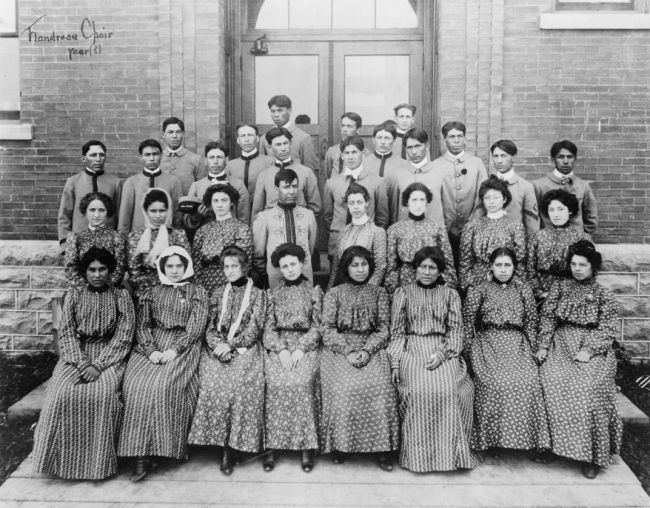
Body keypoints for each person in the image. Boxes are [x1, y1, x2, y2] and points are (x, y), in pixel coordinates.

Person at [33, 247, 135, 480]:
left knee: (103, 394)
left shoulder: (121, 296)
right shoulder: (75, 295)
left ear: (110, 271)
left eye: (102, 269)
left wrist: (98, 365)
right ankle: (60, 462)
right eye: (92, 269)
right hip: (77, 354)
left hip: (111, 355)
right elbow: (67, 334)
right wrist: (81, 363)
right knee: (60, 393)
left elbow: (125, 335)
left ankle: (96, 465)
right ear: (85, 272)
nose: (97, 274)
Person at [118, 246, 209, 482]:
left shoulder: (196, 292)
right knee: (135, 385)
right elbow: (143, 325)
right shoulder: (151, 292)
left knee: (163, 385)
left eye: (179, 265)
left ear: (186, 266)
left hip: (182, 345)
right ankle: (139, 455)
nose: (175, 270)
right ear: (162, 267)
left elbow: (196, 327)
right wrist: (150, 350)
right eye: (170, 266)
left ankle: (162, 449)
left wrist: (173, 350)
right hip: (152, 345)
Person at [535, 240, 622, 479]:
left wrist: (590, 349)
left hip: (590, 347)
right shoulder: (560, 288)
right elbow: (548, 319)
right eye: (573, 264)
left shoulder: (603, 294)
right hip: (560, 343)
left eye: (582, 265)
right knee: (549, 380)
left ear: (593, 267)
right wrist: (543, 345)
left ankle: (590, 455)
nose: (577, 269)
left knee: (586, 388)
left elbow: (607, 328)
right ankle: (553, 446)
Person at [388, 246, 477, 472]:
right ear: (415, 269)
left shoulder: (450, 294)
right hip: (412, 347)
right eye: (423, 267)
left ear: (440, 272)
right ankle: (417, 457)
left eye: (432, 268)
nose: (427, 272)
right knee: (417, 391)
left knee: (447, 390)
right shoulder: (403, 293)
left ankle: (449, 457)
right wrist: (396, 362)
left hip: (442, 347)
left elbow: (457, 331)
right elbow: (397, 332)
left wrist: (442, 354)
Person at [463, 247, 550, 456]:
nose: (503, 270)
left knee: (528, 381)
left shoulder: (523, 289)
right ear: (491, 267)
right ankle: (491, 440)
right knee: (493, 383)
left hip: (517, 344)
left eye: (507, 265)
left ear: (514, 267)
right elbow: (467, 324)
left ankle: (529, 441)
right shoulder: (479, 289)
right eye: (498, 265)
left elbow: (531, 322)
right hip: (488, 343)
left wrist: (536, 349)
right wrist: (467, 354)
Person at [188, 246, 266, 475]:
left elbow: (255, 329)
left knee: (241, 383)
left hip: (246, 347)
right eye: (227, 266)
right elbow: (210, 326)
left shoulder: (258, 294)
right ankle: (218, 443)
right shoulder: (217, 293)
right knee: (211, 382)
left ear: (245, 267)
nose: (230, 271)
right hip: (218, 347)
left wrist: (231, 345)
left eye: (235, 266)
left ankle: (235, 446)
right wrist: (217, 345)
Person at [320, 246, 399, 470]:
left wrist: (367, 350)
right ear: (346, 268)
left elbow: (384, 329)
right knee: (343, 388)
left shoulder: (379, 293)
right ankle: (342, 445)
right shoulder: (334, 293)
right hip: (342, 348)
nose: (360, 269)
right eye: (354, 265)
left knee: (381, 387)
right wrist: (348, 351)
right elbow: (327, 329)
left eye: (364, 264)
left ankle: (381, 448)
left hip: (371, 347)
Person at [262, 243, 323, 472]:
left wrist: (301, 348)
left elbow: (319, 326)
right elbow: (268, 328)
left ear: (301, 263)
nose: (289, 269)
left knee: (302, 381)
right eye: (284, 266)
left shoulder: (314, 291)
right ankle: (272, 446)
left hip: (306, 344)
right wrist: (281, 349)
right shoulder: (273, 294)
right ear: (279, 268)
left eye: (293, 264)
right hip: (280, 345)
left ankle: (306, 446)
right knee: (275, 382)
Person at [430, 121, 488, 267]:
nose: (456, 141)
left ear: (465, 139)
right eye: (451, 137)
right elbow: (434, 199)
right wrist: (442, 226)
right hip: (444, 230)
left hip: (472, 229)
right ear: (444, 140)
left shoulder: (476, 163)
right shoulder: (435, 165)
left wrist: (474, 221)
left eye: (460, 136)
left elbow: (483, 196)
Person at [322, 136, 389, 259]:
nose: (350, 157)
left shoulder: (377, 182)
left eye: (354, 152)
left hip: (366, 243)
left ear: (363, 153)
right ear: (342, 155)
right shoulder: (332, 183)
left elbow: (382, 218)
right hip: (338, 243)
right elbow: (328, 217)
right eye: (346, 153)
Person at [385, 183, 456, 294]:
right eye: (414, 200)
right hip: (405, 282)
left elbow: (448, 261)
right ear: (407, 202)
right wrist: (393, 290)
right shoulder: (395, 229)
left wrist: (448, 287)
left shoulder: (437, 228)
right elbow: (391, 265)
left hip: (432, 280)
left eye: (422, 200)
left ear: (427, 202)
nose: (418, 204)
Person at [459, 176, 526, 292]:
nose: (491, 202)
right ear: (483, 200)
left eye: (496, 197)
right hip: (478, 281)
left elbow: (520, 261)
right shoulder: (472, 226)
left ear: (504, 199)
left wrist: (517, 285)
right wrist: (468, 285)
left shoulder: (515, 226)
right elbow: (465, 260)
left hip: (506, 280)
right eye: (487, 198)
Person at [252, 169, 318, 289]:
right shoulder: (265, 217)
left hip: (304, 273)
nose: (292, 191)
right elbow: (259, 253)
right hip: (276, 275)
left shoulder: (308, 215)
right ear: (276, 189)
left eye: (295, 186)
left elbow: (311, 247)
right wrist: (268, 272)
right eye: (286, 187)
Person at [527, 189, 592, 300]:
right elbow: (529, 269)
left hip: (573, 295)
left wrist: (579, 294)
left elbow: (590, 271)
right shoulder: (537, 237)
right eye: (551, 210)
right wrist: (539, 293)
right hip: (543, 294)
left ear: (570, 210)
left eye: (560, 209)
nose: (556, 214)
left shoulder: (582, 238)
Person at [58, 140, 122, 251]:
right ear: (84, 159)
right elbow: (64, 215)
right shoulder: (73, 182)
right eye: (93, 155)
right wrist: (64, 243)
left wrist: (119, 242)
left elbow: (120, 215)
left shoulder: (115, 183)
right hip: (79, 241)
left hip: (108, 242)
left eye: (101, 155)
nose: (98, 159)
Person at [126, 188, 190, 299]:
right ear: (146, 211)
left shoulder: (178, 235)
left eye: (162, 211)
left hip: (174, 294)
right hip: (144, 295)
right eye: (153, 211)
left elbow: (186, 267)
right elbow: (134, 271)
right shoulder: (136, 237)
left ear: (168, 210)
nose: (157, 216)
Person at [192, 184, 253, 297]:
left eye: (224, 200)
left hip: (231, 284)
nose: (219, 205)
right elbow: (196, 263)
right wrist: (200, 289)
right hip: (205, 285)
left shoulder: (241, 228)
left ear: (231, 203)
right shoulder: (202, 231)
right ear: (211, 204)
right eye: (215, 201)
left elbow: (244, 262)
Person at [252, 126, 321, 220]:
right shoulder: (264, 175)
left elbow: (315, 208)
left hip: (299, 227)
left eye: (285, 143)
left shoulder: (306, 172)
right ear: (269, 147)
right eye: (278, 145)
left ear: (291, 143)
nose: (283, 148)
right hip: (273, 228)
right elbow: (257, 212)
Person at [327, 184, 387, 289]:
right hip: (344, 288)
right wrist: (330, 288)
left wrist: (368, 291)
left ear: (366, 202)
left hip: (367, 288)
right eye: (351, 203)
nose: (356, 207)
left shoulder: (377, 232)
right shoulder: (343, 232)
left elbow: (380, 267)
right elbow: (336, 265)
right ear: (347, 205)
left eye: (359, 202)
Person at [474, 140, 539, 237]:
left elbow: (532, 224)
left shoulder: (525, 187)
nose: (499, 161)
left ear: (514, 158)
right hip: (488, 242)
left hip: (515, 243)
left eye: (503, 156)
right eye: (496, 156)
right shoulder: (485, 184)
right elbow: (477, 217)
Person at [118, 139, 183, 234]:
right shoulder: (132, 182)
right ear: (140, 157)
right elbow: (125, 216)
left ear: (161, 155)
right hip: (137, 237)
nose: (152, 158)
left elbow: (178, 215)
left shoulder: (173, 181)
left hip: (166, 236)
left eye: (155, 154)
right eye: (147, 155)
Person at [532, 140, 597, 235]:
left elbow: (591, 216)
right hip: (548, 242)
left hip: (576, 241)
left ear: (575, 159)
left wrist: (583, 237)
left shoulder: (583, 185)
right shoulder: (538, 185)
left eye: (570, 157)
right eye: (561, 157)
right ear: (553, 159)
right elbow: (533, 217)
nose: (565, 161)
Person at [64, 192, 126, 289]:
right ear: (85, 211)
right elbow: (71, 269)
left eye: (101, 210)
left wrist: (104, 288)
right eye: (92, 210)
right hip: (82, 293)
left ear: (107, 212)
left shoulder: (116, 237)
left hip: (110, 291)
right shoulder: (76, 238)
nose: (96, 215)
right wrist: (87, 290)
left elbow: (119, 269)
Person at [184, 142, 250, 231]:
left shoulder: (238, 185)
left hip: (231, 237)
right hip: (204, 237)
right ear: (206, 161)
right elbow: (187, 220)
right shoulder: (196, 186)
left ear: (226, 160)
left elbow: (244, 219)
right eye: (211, 157)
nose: (215, 162)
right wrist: (197, 216)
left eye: (219, 157)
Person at [384, 128, 445, 224]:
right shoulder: (397, 175)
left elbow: (448, 208)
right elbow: (393, 210)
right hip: (405, 232)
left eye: (418, 146)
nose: (414, 152)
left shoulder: (440, 172)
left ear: (427, 146)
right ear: (405, 149)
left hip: (434, 233)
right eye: (409, 147)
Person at [259, 94, 320, 172]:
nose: (276, 115)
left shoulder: (303, 137)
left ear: (289, 111)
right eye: (273, 111)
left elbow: (309, 170)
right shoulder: (264, 138)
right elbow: (262, 168)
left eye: (280, 110)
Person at [225, 123, 274, 204]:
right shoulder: (230, 165)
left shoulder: (270, 162)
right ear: (238, 140)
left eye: (250, 135)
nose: (246, 139)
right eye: (243, 136)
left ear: (257, 138)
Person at [159, 116, 207, 195]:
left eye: (178, 132)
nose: (174, 136)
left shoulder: (196, 159)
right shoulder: (157, 159)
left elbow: (202, 190)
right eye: (170, 132)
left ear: (183, 134)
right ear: (163, 135)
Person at [323, 112, 369, 179]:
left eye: (349, 126)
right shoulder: (332, 151)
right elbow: (328, 174)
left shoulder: (365, 153)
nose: (344, 129)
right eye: (343, 126)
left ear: (358, 129)